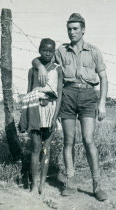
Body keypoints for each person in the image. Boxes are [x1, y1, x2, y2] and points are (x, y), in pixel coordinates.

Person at [32, 13, 108, 201]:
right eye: (69, 29)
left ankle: (96, 184)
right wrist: (40, 67)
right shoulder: (61, 51)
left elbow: (104, 77)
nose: (72, 32)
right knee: (69, 141)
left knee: (89, 140)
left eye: (75, 29)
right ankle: (70, 182)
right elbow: (40, 60)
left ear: (83, 30)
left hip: (88, 96)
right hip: (67, 95)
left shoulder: (94, 51)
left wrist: (103, 103)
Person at [18, 38, 63, 194]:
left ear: (54, 52)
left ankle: (43, 184)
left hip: (51, 111)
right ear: (39, 50)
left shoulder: (58, 69)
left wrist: (54, 117)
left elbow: (60, 95)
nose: (47, 53)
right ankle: (33, 185)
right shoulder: (33, 70)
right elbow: (29, 92)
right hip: (35, 111)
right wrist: (24, 116)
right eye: (44, 50)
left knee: (46, 148)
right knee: (35, 147)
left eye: (50, 51)